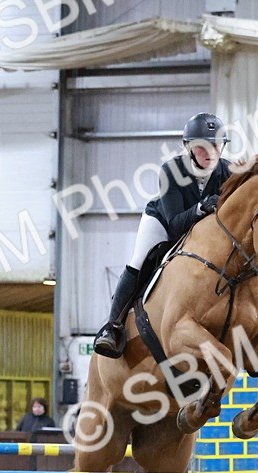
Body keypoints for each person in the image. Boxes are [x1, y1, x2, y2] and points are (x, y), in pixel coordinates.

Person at [93, 112, 233, 358]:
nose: (210, 152)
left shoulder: (229, 171)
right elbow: (176, 224)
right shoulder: (171, 170)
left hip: (203, 232)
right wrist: (201, 208)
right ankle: (112, 327)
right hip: (163, 222)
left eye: (216, 145)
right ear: (189, 147)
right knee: (139, 261)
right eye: (202, 146)